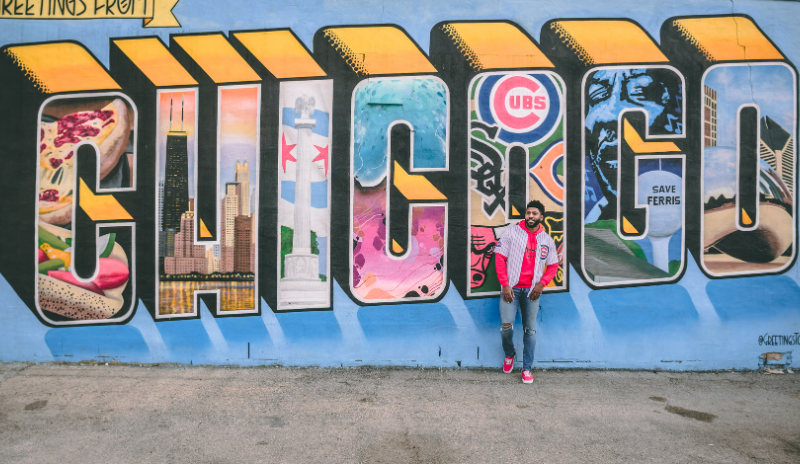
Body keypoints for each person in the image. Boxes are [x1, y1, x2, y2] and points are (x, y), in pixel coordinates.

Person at [494, 200, 559, 383]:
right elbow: (499, 258)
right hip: (511, 289)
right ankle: (510, 352)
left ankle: (527, 368)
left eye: (535, 213)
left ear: (541, 217)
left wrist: (542, 283)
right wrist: (505, 285)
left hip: (532, 292)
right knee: (506, 327)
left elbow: (553, 265)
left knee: (529, 330)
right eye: (528, 213)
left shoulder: (546, 239)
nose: (531, 216)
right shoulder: (512, 233)